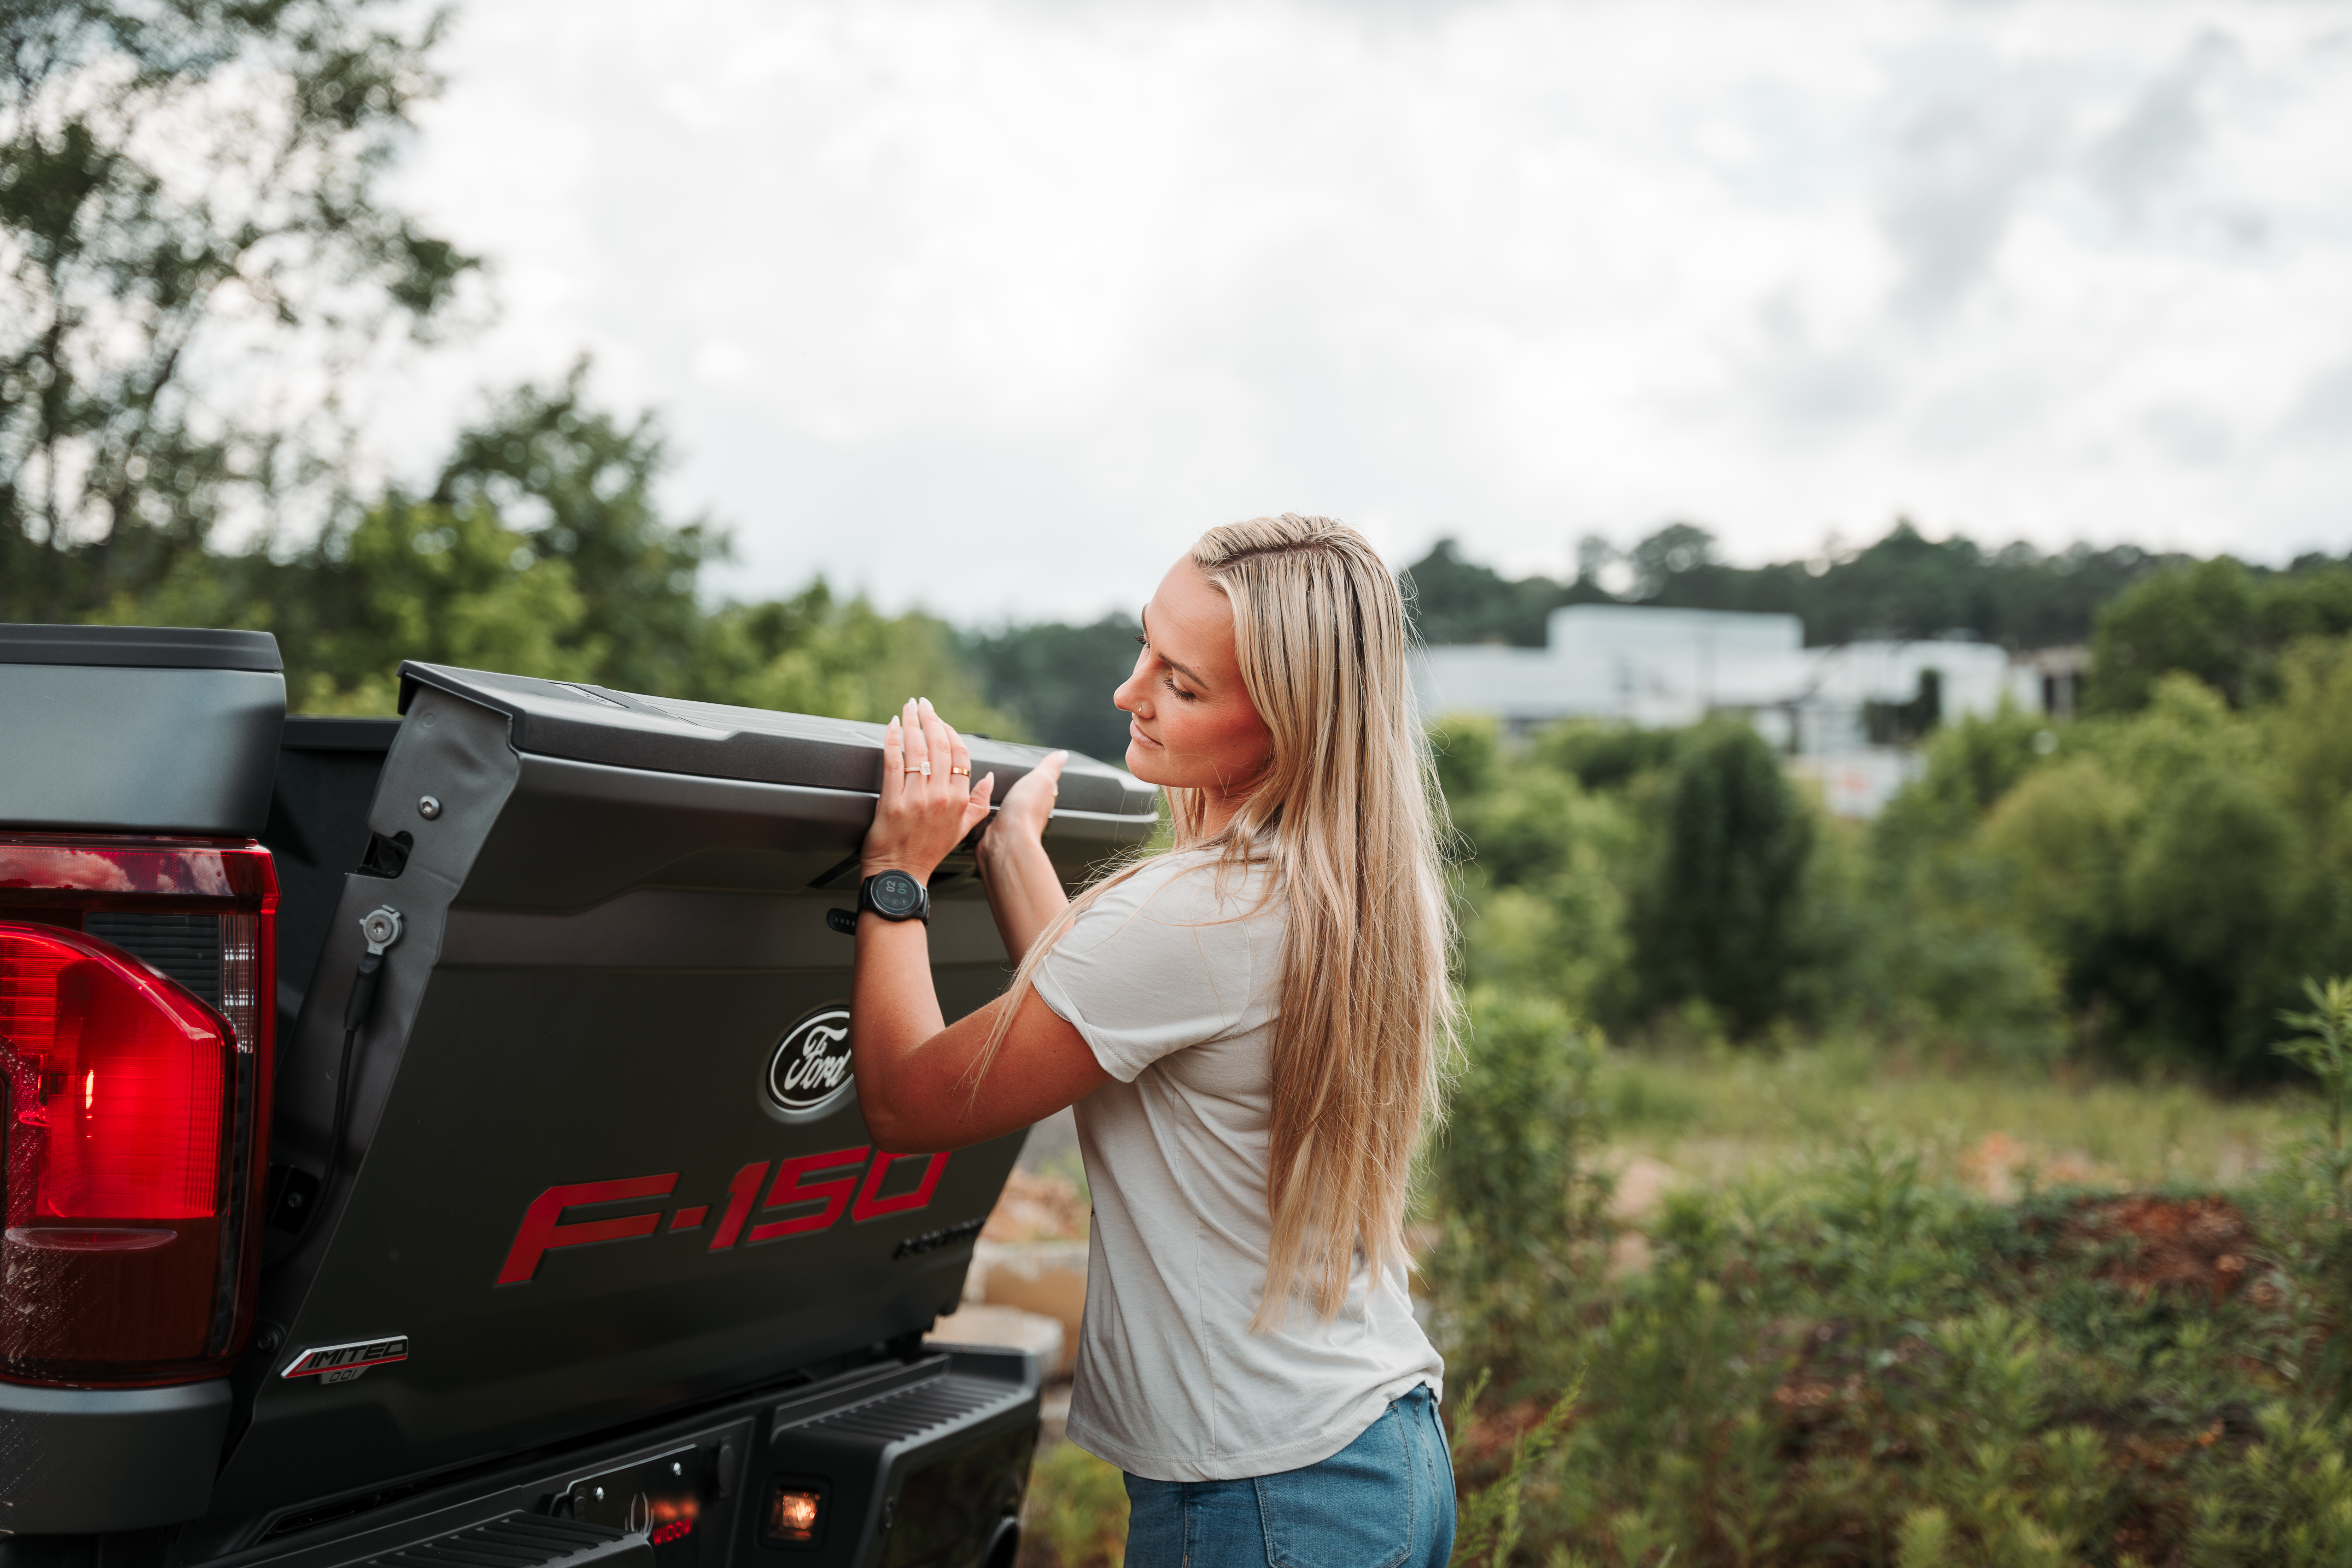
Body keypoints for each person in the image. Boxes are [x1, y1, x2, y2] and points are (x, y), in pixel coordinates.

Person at [849, 513, 1458, 1568]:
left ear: (1289, 725)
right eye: (1146, 648)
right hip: (1378, 1456)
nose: (1131, 692)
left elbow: (909, 1098)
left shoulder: (1195, 913)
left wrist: (893, 877)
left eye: (1183, 683)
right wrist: (1008, 853)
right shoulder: (1338, 892)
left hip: (1265, 1497)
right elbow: (1107, 1022)